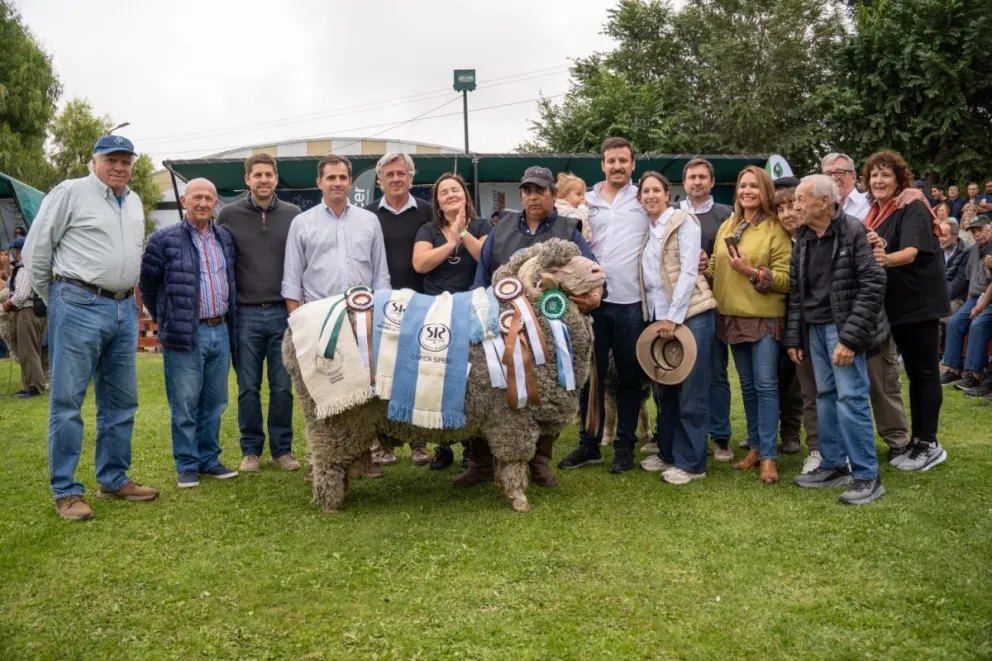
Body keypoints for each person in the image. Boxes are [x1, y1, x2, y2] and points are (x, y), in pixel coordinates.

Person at [22, 135, 160, 521]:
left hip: (123, 307)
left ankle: (113, 478)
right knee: (68, 401)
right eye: (111, 159)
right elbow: (36, 250)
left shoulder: (134, 201)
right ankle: (66, 491)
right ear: (94, 161)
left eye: (126, 161)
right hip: (78, 302)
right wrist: (57, 298)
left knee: (121, 401)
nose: (119, 167)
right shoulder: (70, 192)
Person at [283, 155, 391, 479]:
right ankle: (321, 460)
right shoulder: (302, 223)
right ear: (319, 183)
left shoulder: (369, 221)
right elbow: (292, 280)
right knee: (323, 394)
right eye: (331, 178)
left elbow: (381, 275)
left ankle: (363, 458)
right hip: (320, 323)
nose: (337, 183)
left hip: (363, 322)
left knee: (363, 393)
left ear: (350, 182)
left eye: (343, 177)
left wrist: (380, 321)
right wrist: (299, 326)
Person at [787, 175, 887, 505]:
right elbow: (796, 292)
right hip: (814, 329)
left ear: (824, 203)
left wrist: (849, 339)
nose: (795, 206)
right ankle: (833, 465)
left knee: (851, 398)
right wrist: (795, 337)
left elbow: (873, 286)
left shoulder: (854, 231)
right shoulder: (803, 237)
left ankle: (867, 476)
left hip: (841, 329)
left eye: (801, 199)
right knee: (826, 396)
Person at [557, 137, 650, 474]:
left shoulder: (643, 198)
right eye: (611, 161)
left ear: (632, 164)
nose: (617, 166)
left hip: (631, 302)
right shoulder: (586, 200)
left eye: (623, 160)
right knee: (590, 378)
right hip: (591, 302)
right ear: (603, 165)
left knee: (628, 378)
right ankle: (589, 445)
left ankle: (625, 446)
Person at [141, 178, 240, 488]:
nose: (203, 203)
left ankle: (209, 459)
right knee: (185, 403)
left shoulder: (224, 238)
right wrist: (169, 319)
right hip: (186, 332)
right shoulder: (163, 239)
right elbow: (148, 285)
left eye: (209, 198)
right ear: (184, 201)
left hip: (219, 329)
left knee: (215, 401)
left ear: (215, 203)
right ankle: (186, 464)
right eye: (197, 197)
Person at [823, 152, 913, 463]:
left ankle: (896, 440)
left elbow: (894, 233)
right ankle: (846, 447)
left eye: (841, 171)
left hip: (871, 306)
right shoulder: (821, 207)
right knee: (840, 386)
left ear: (852, 175)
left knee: (881, 379)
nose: (835, 177)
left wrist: (914, 193)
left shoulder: (870, 205)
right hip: (835, 308)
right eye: (828, 172)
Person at [864, 149, 950, 472]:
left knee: (925, 373)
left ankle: (929, 443)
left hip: (919, 304)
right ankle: (918, 441)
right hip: (897, 304)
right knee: (914, 374)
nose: (878, 180)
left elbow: (912, 251)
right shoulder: (877, 212)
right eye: (874, 175)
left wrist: (885, 259)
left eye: (886, 175)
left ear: (900, 179)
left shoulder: (912, 206)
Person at [216, 153, 302, 474]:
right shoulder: (228, 214)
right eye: (257, 175)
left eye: (268, 174)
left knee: (282, 386)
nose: (263, 180)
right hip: (246, 314)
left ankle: (282, 450)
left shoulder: (294, 215)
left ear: (276, 179)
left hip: (283, 313)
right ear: (247, 179)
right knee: (248, 387)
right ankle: (251, 450)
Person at [706, 165, 792, 484]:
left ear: (765, 190)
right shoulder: (729, 224)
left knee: (766, 386)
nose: (747, 191)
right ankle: (755, 447)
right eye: (743, 186)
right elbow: (715, 265)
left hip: (764, 318)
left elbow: (787, 279)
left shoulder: (775, 229)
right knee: (748, 387)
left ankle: (769, 455)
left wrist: (752, 272)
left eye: (754, 186)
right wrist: (701, 269)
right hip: (731, 316)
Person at [635, 172, 716, 484]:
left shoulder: (684, 221)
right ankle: (668, 452)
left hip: (689, 315)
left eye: (656, 190)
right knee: (664, 389)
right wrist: (658, 317)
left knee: (691, 391)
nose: (651, 196)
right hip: (660, 318)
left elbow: (688, 271)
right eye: (645, 191)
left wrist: (674, 316)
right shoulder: (648, 229)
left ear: (667, 194)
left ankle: (692, 463)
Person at [412, 173, 490, 471]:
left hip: (472, 311)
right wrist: (451, 242)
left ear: (465, 196)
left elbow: (485, 257)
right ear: (438, 202)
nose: (450, 195)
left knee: (473, 379)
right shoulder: (428, 230)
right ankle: (442, 446)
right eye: (443, 192)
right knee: (437, 376)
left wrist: (463, 231)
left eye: (455, 190)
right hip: (436, 312)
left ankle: (472, 446)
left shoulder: (482, 226)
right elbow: (420, 264)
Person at [364, 152, 435, 467]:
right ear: (380, 180)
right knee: (382, 375)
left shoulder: (427, 212)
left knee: (419, 372)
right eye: (389, 174)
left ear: (411, 177)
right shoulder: (366, 215)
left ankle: (419, 442)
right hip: (379, 306)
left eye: (401, 173)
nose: (396, 179)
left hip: (420, 305)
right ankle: (384, 444)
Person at [680, 158, 734, 461]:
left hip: (713, 303)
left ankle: (721, 436)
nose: (697, 182)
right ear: (684, 182)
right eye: (692, 177)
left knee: (716, 371)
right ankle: (669, 431)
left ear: (712, 182)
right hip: (677, 305)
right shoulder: (674, 214)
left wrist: (709, 264)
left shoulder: (727, 215)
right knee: (675, 370)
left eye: (702, 177)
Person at [773, 187, 820, 473]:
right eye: (780, 209)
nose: (786, 214)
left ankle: (792, 432)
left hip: (807, 319)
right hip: (777, 316)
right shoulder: (777, 238)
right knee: (774, 377)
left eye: (791, 206)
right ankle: (767, 431)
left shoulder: (812, 237)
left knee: (797, 382)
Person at [940, 215, 992, 394]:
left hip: (988, 297)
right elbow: (969, 278)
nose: (977, 234)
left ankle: (974, 374)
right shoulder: (974, 249)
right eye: (974, 231)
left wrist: (980, 305)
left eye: (980, 230)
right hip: (974, 296)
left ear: (990, 228)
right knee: (954, 322)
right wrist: (970, 302)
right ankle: (953, 369)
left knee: (977, 324)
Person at [2, 237, 48, 398]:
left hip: (28, 312)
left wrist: (7, 304)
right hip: (38, 311)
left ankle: (36, 387)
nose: (14, 253)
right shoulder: (36, 266)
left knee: (28, 351)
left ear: (19, 251)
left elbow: (21, 295)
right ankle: (29, 385)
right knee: (30, 349)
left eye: (15, 250)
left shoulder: (25, 268)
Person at [941, 219, 970, 315]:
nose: (940, 239)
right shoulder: (937, 249)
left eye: (944, 235)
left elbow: (959, 282)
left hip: (956, 297)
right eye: (939, 235)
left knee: (940, 316)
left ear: (955, 236)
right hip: (937, 294)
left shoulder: (966, 251)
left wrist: (938, 298)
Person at [555, 172, 590, 241]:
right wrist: (583, 208)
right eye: (578, 194)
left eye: (583, 194)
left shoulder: (574, 209)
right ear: (565, 195)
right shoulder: (561, 208)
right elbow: (576, 222)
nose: (583, 198)